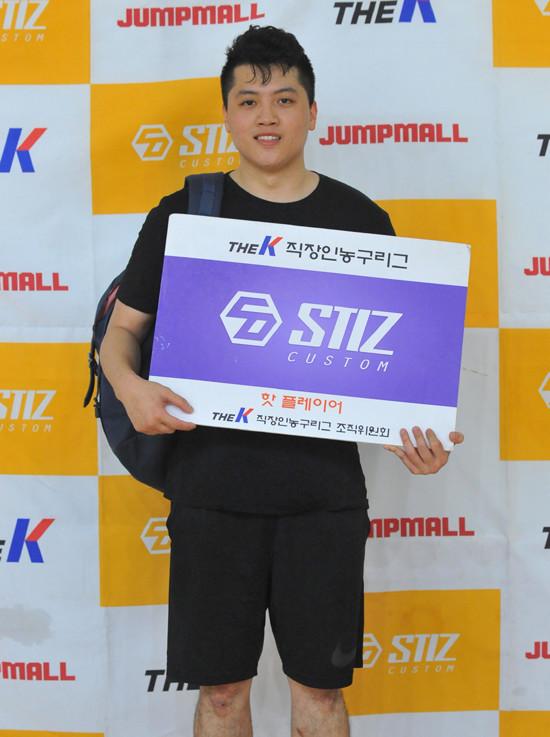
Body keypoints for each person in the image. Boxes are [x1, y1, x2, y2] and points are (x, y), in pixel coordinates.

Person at [100, 25, 464, 737]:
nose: (266, 116)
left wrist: (420, 438)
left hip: (322, 500)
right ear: (228, 114)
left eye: (285, 99)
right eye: (249, 100)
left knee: (321, 698)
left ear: (312, 112)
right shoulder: (185, 213)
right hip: (210, 492)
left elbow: (398, 371)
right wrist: (129, 386)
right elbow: (121, 336)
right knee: (222, 696)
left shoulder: (361, 220)